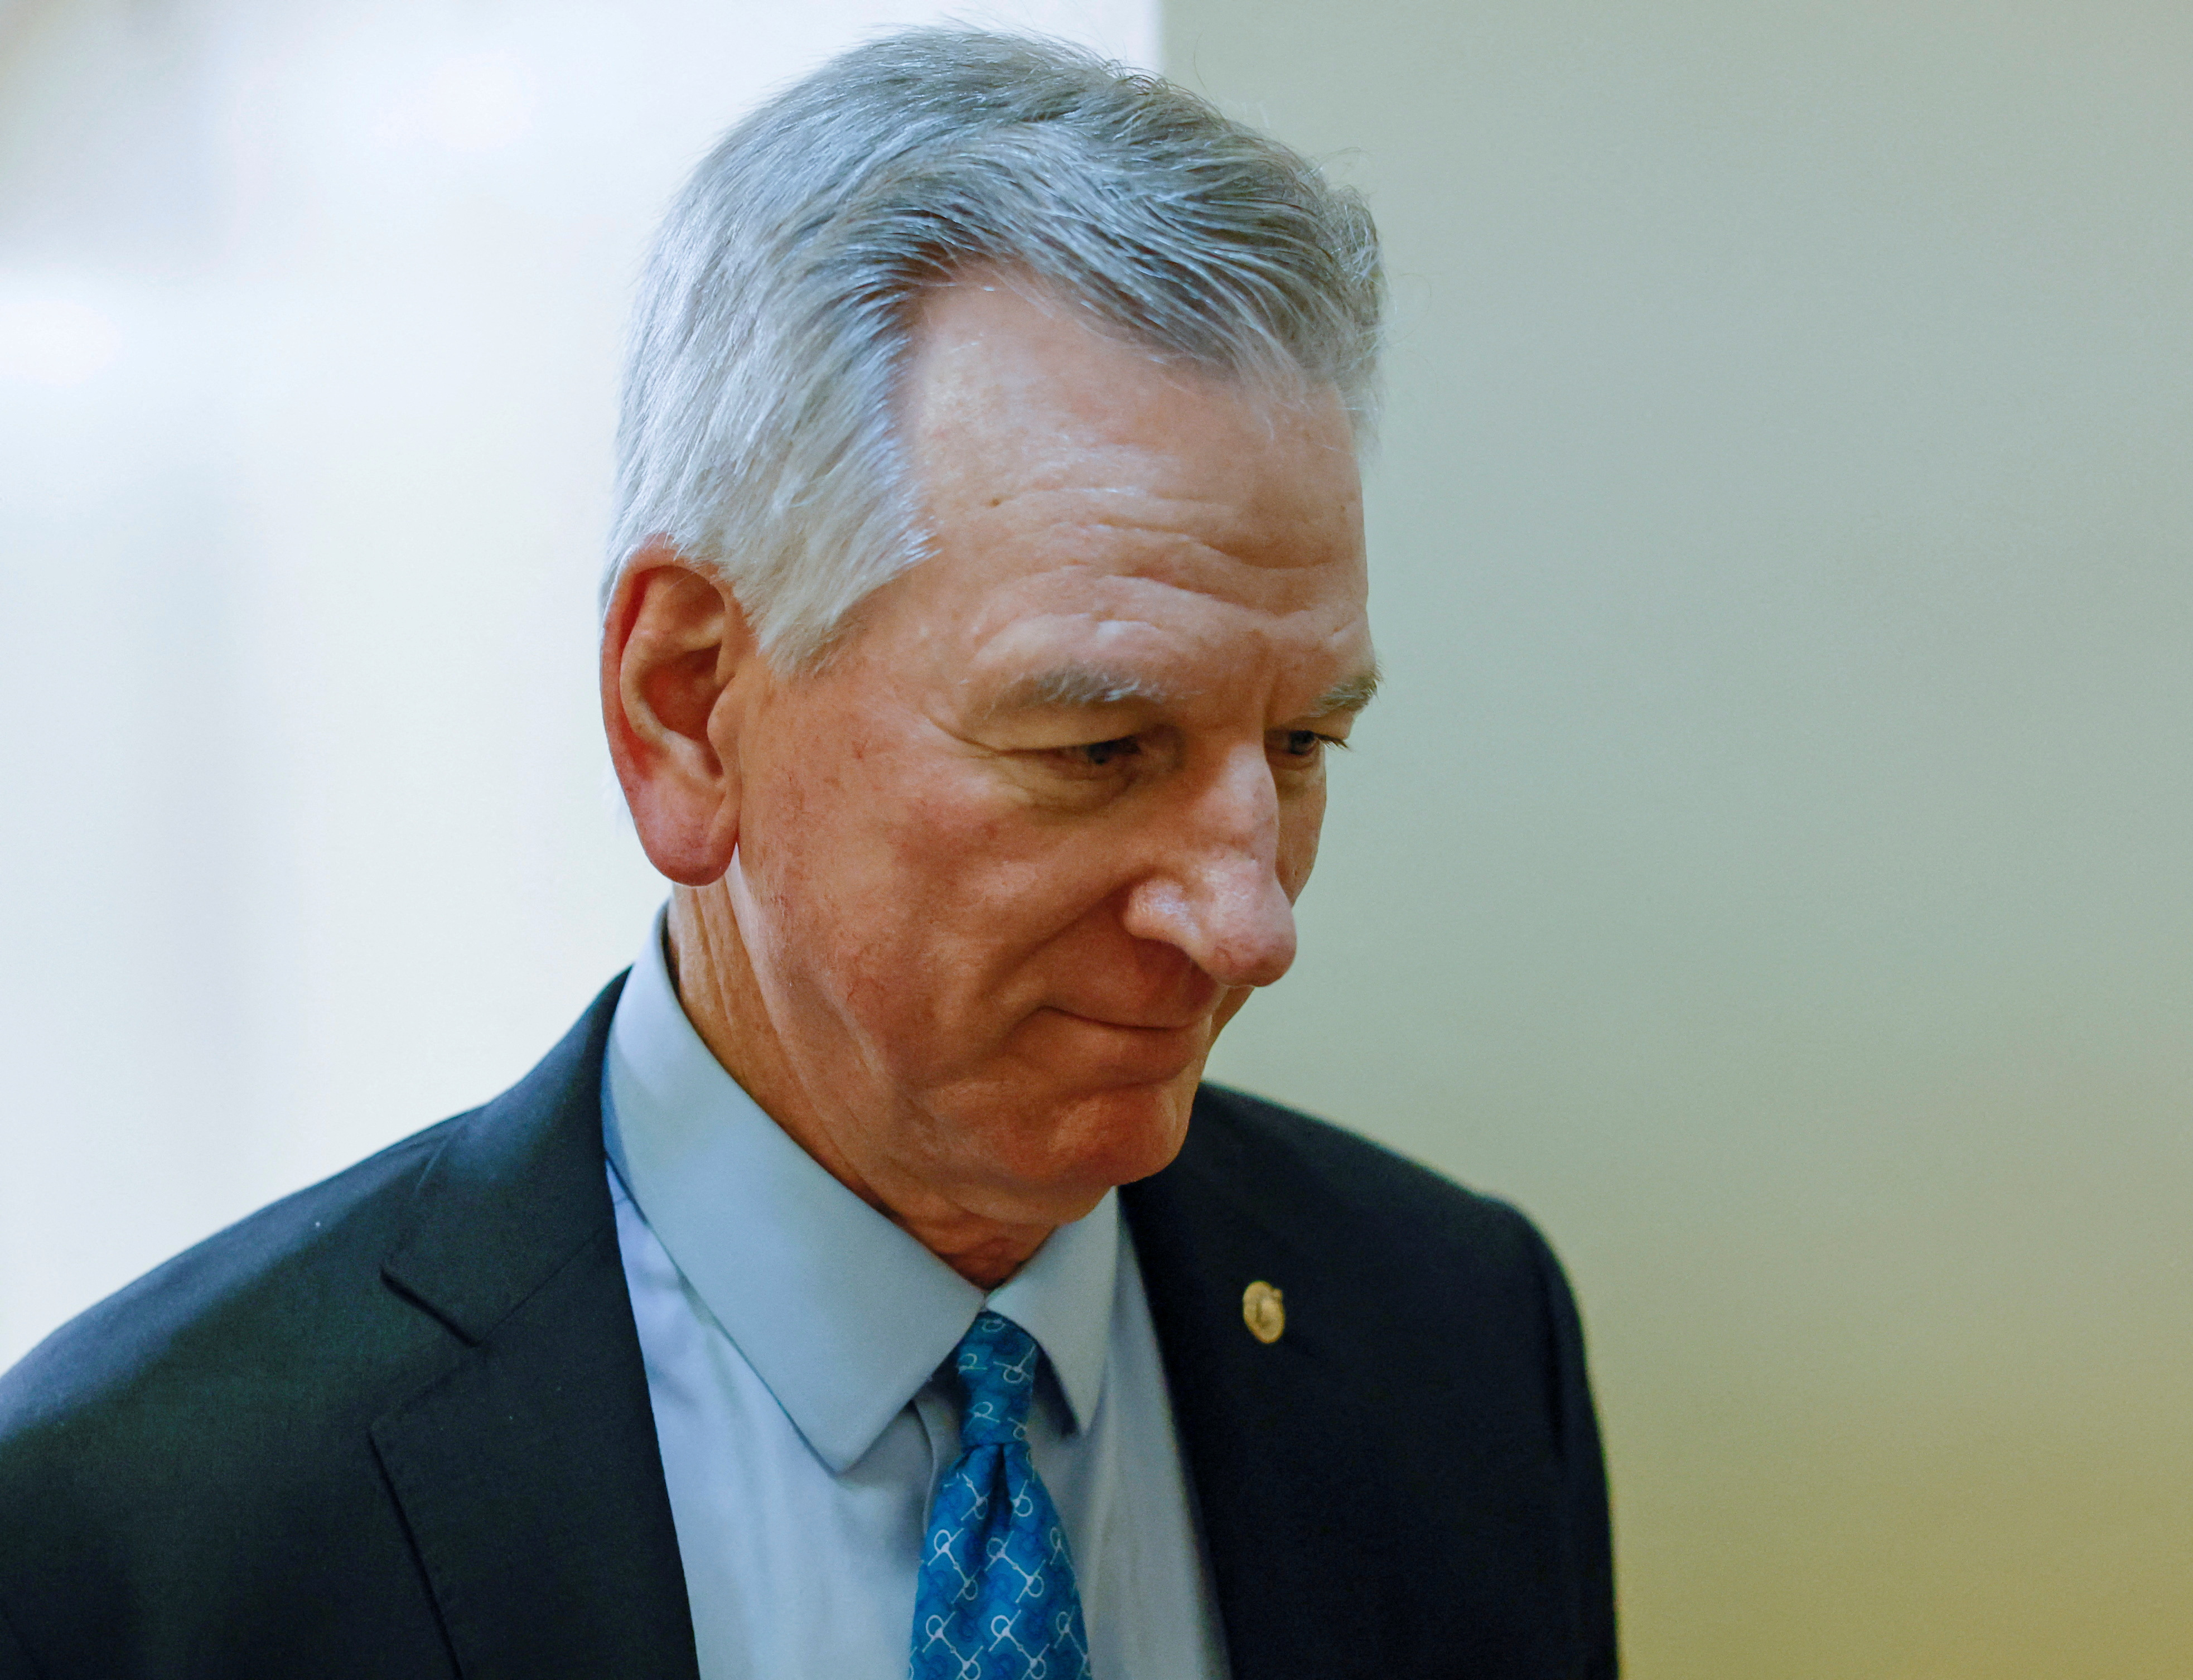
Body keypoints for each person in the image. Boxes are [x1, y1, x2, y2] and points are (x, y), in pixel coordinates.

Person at [0, 31, 1613, 1679]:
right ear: (690, 706)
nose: (1249, 917)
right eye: (1099, 750)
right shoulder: (147, 1527)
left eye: (1298, 745)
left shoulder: (1462, 1346)